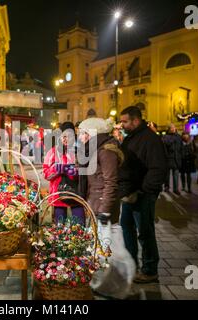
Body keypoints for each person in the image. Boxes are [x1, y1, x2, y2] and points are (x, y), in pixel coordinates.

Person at [118, 106, 167, 284]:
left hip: (142, 194)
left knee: (145, 232)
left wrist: (143, 190)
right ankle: (131, 265)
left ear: (135, 120)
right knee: (126, 227)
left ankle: (150, 269)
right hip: (130, 193)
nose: (121, 124)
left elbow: (158, 169)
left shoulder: (150, 139)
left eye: (124, 121)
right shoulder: (131, 137)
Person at [77, 117, 123, 226]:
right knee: (96, 240)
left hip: (102, 206)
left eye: (82, 133)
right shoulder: (94, 149)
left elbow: (111, 181)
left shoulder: (106, 151)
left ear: (92, 134)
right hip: (94, 202)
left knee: (105, 241)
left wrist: (104, 209)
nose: (79, 137)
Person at [43, 122, 85, 225]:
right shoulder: (52, 152)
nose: (66, 139)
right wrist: (58, 169)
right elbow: (46, 174)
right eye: (64, 136)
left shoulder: (79, 152)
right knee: (59, 228)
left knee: (79, 226)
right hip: (59, 196)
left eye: (69, 136)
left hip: (76, 194)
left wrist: (76, 172)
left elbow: (85, 173)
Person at [162, 124, 183, 195]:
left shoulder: (178, 137)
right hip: (168, 158)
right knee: (167, 174)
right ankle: (167, 187)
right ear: (169, 129)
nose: (173, 129)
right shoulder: (165, 137)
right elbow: (165, 146)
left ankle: (176, 188)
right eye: (171, 128)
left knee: (176, 174)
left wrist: (181, 155)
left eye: (174, 127)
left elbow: (181, 147)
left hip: (176, 158)